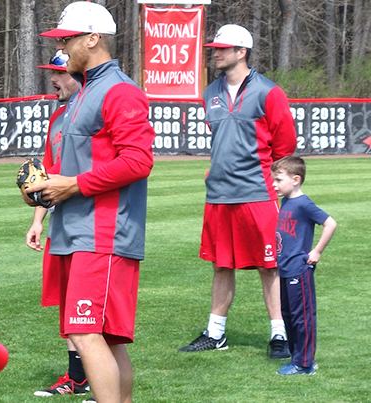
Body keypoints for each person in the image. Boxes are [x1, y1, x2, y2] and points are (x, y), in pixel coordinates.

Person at [27, 2, 155, 402]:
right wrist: (43, 189)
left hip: (103, 233)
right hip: (78, 231)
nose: (63, 48)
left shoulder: (119, 90)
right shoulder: (85, 92)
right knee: (108, 339)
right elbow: (71, 169)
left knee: (84, 331)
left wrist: (73, 185)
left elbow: (138, 160)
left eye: (68, 40)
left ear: (93, 39)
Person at [178, 24, 297, 359]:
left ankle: (279, 333)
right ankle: (215, 333)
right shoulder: (209, 92)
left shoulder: (269, 92)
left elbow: (285, 148)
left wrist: (275, 186)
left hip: (258, 193)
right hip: (218, 195)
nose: (215, 52)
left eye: (222, 48)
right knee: (220, 264)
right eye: (214, 47)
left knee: (269, 265)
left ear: (242, 51)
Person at [25, 50, 88, 398]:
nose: (53, 79)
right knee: (68, 302)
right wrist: (37, 219)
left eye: (59, 73)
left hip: (91, 225)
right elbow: (49, 174)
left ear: (78, 75)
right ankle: (78, 376)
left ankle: (100, 378)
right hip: (61, 223)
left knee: (88, 306)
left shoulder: (94, 115)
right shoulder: (58, 118)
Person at [271, 156, 336, 375]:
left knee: (302, 316)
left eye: (279, 180)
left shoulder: (304, 204)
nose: (274, 184)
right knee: (288, 314)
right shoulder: (286, 202)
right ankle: (297, 355)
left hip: (299, 270)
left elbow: (330, 223)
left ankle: (305, 363)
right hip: (285, 268)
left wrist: (316, 251)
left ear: (296, 179)